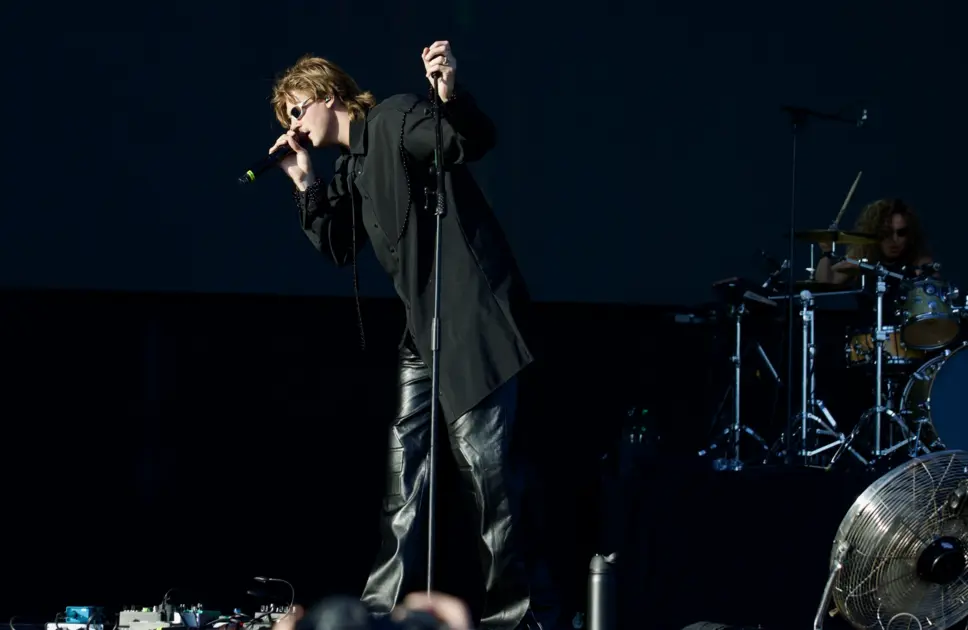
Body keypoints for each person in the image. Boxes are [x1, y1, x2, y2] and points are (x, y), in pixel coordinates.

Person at [267, 43, 540, 630]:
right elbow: (339, 246)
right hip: (424, 329)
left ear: (328, 95)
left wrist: (447, 95)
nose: (293, 125)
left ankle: (515, 617)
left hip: (470, 319)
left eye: (296, 110)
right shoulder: (352, 167)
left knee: (487, 477)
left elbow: (462, 142)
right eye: (286, 118)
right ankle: (373, 613)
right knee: (403, 473)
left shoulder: (394, 116)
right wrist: (303, 182)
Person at [814, 198, 935, 286]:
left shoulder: (921, 264)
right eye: (886, 233)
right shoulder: (859, 259)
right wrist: (826, 251)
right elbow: (825, 283)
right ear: (874, 233)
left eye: (901, 233)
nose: (894, 240)